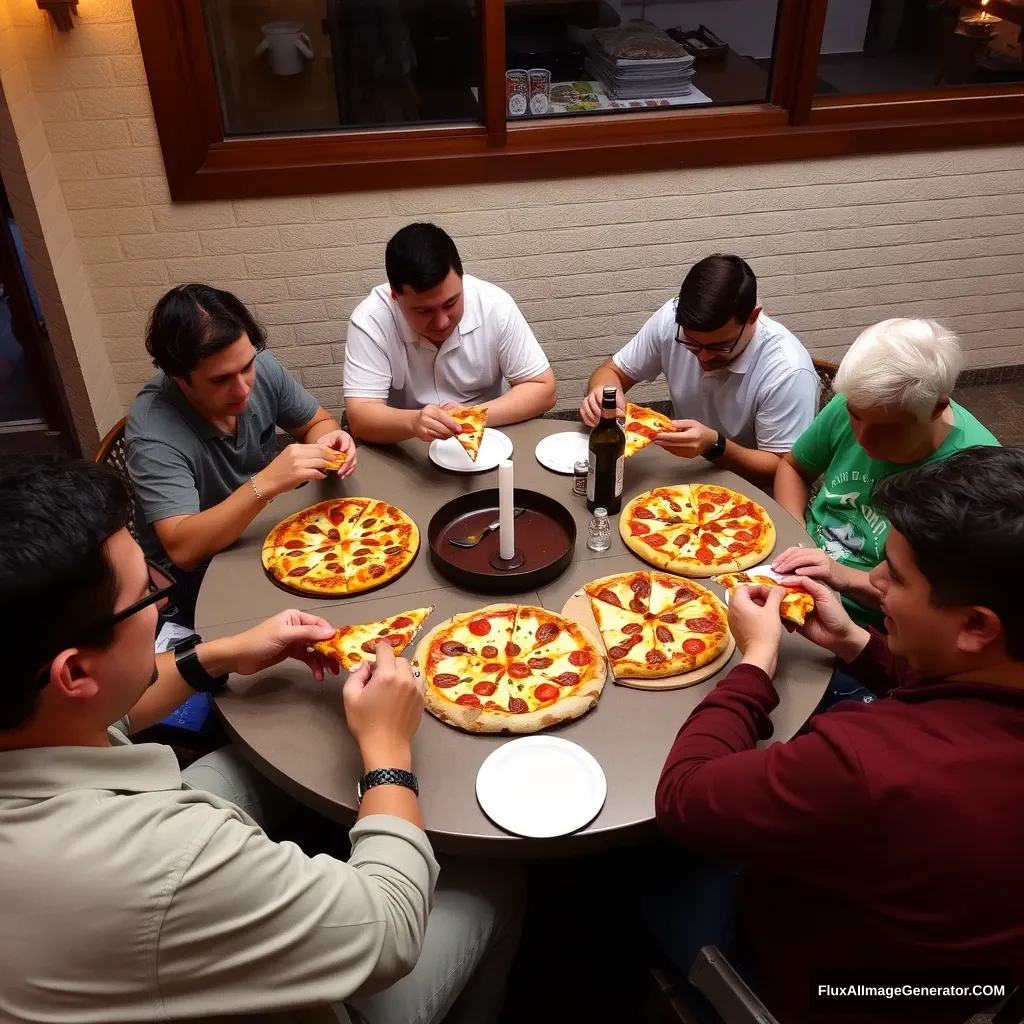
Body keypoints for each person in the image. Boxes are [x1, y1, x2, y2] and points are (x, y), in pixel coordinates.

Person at [0, 455, 521, 1024]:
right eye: (147, 594)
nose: (166, 594)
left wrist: (223, 653)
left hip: (105, 931)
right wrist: (387, 747)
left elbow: (110, 717)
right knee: (497, 879)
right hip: (294, 987)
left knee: (252, 767)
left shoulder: (31, 712)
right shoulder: (166, 857)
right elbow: (389, 932)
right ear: (74, 673)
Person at [653, 446, 1024, 1024]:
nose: (870, 580)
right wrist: (857, 642)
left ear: (976, 624)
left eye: (894, 578)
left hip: (825, 991)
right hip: (964, 991)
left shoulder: (865, 761)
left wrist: (757, 658)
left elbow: (683, 796)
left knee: (633, 860)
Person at [126, 284, 357, 623]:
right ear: (177, 376)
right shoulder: (152, 435)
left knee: (348, 584)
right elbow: (183, 550)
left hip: (261, 531)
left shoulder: (257, 366)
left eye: (247, 365)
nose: (243, 387)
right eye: (220, 380)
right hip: (196, 577)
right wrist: (265, 484)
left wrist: (329, 442)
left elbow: (318, 422)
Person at [772, 318, 998, 630]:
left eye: (886, 429)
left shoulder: (974, 476)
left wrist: (839, 576)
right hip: (800, 567)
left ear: (935, 408)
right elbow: (793, 468)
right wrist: (796, 534)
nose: (862, 438)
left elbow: (932, 606)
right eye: (854, 416)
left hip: (875, 627)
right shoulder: (863, 401)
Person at [579, 254, 818, 488]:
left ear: (753, 317)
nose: (703, 357)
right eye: (691, 342)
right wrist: (602, 394)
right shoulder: (670, 321)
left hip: (750, 495)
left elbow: (785, 470)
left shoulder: (788, 371)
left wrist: (714, 446)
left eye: (719, 346)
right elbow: (612, 371)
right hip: (681, 473)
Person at [344, 222, 556, 444]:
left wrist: (468, 416)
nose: (441, 321)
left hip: (488, 434)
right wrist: (414, 422)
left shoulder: (494, 305)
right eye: (423, 310)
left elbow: (543, 389)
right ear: (395, 296)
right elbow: (360, 416)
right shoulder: (370, 320)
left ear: (462, 280)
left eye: (451, 303)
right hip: (406, 444)